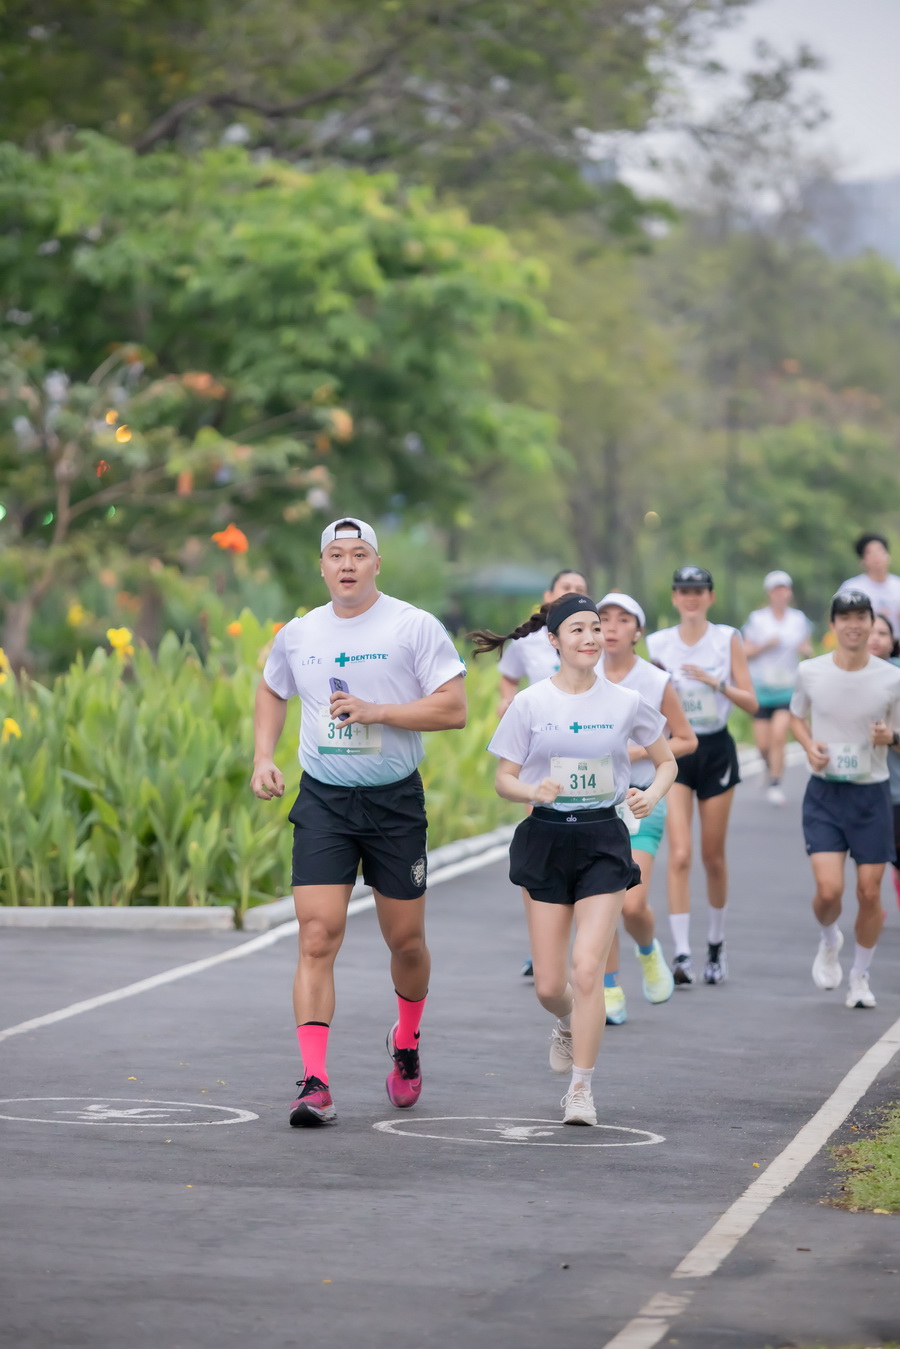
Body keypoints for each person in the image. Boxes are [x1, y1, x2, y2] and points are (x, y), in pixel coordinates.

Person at [251, 517, 467, 1127]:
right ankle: (315, 1082)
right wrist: (264, 756)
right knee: (317, 936)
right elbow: (272, 689)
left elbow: (454, 709)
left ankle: (406, 1039)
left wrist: (379, 712)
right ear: (321, 567)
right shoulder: (298, 633)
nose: (347, 564)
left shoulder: (411, 625)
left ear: (377, 564)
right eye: (336, 555)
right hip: (325, 801)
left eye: (360, 554)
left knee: (406, 942)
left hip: (395, 801)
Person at [474, 593, 676, 1126]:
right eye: (579, 629)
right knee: (550, 986)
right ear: (554, 640)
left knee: (588, 969)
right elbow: (502, 779)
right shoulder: (531, 703)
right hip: (545, 837)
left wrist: (650, 794)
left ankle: (582, 1090)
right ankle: (565, 1022)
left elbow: (667, 762)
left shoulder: (626, 701)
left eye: (598, 628)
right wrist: (531, 792)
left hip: (603, 838)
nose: (591, 637)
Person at [646, 567, 757, 987]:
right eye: (683, 591)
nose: (691, 598)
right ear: (674, 597)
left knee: (712, 855)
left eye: (698, 591)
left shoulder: (726, 639)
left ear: (710, 596)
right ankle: (681, 953)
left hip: (715, 750)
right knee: (679, 854)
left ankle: (715, 943)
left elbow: (752, 702)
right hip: (676, 751)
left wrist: (718, 683)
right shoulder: (658, 643)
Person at [790, 590, 900, 1009]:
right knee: (828, 890)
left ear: (872, 624)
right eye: (845, 617)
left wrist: (890, 737)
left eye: (861, 617)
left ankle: (860, 976)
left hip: (871, 795)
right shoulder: (810, 671)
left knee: (870, 893)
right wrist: (808, 745)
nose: (854, 624)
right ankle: (829, 937)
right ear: (833, 625)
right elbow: (795, 717)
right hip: (826, 794)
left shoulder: (891, 677)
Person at [596, 592, 698, 1025]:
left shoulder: (654, 681)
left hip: (640, 800)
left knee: (632, 905)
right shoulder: (579, 674)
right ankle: (610, 986)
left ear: (638, 631)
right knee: (601, 901)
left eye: (624, 619)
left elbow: (686, 739)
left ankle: (648, 950)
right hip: (592, 805)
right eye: (604, 619)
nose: (613, 627)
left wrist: (641, 753)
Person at [497, 567, 588, 978]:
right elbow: (507, 680)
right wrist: (508, 706)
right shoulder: (530, 642)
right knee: (542, 851)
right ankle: (544, 945)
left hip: (583, 753)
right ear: (549, 594)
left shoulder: (591, 643)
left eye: (581, 592)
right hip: (539, 752)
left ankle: (583, 949)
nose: (572, 595)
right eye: (566, 589)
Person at [742, 570, 813, 806]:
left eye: (784, 589)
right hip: (762, 688)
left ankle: (775, 783)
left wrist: (807, 651)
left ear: (789, 592)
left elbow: (806, 644)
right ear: (769, 593)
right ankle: (768, 765)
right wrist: (765, 646)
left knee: (779, 735)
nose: (780, 594)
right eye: (776, 589)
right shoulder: (757, 620)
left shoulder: (799, 620)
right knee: (763, 744)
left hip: (787, 687)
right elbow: (745, 652)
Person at [865, 613, 900, 911]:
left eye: (883, 633)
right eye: (870, 631)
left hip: (896, 787)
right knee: (868, 864)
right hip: (859, 787)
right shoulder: (841, 675)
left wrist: (892, 737)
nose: (875, 638)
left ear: (893, 642)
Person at [841, 532, 900, 636]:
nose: (876, 556)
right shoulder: (852, 589)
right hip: (863, 646)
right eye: (870, 552)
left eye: (879, 551)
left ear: (888, 556)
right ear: (862, 561)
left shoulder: (897, 586)